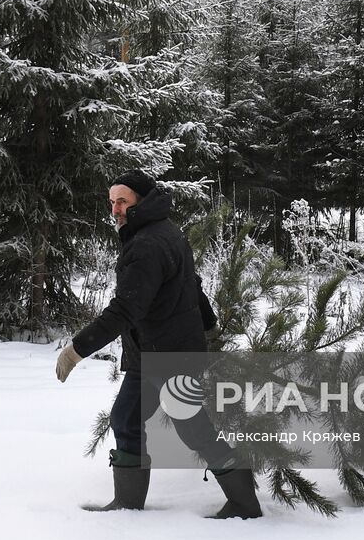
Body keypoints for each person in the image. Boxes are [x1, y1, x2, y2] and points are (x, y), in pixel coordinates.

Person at [54, 169, 262, 519]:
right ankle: (128, 503)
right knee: (126, 417)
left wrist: (77, 350)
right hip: (150, 353)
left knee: (194, 430)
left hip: (168, 356)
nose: (115, 209)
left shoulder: (148, 244)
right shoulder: (161, 231)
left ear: (141, 200)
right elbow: (189, 283)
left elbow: (126, 308)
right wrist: (208, 324)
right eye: (111, 202)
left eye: (122, 201)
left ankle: (244, 504)